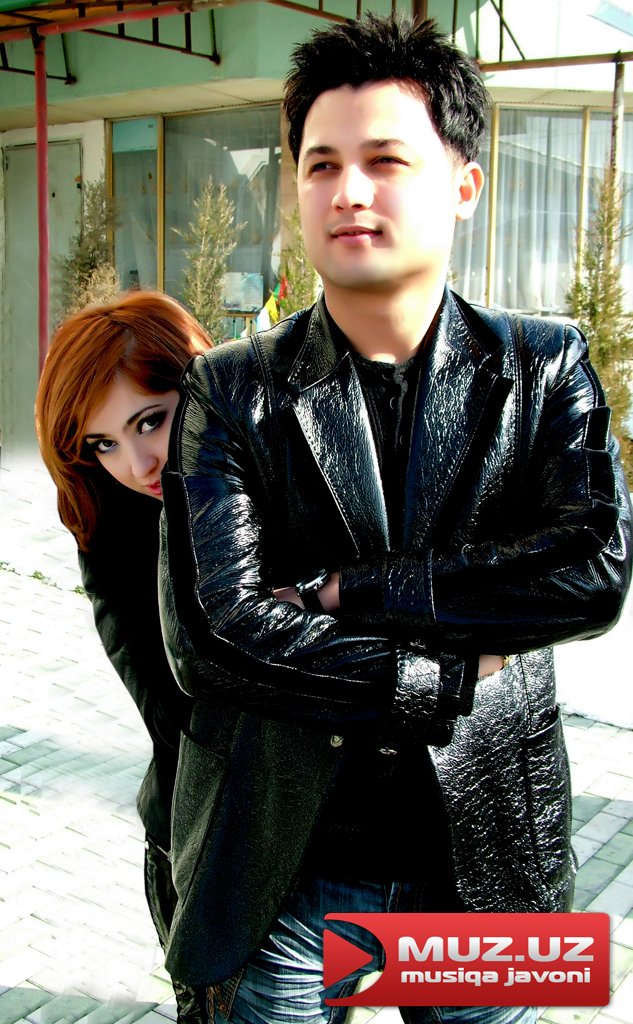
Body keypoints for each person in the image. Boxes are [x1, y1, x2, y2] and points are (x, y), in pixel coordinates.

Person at [158, 14, 633, 1024]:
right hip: (285, 865)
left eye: (385, 160)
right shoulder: (231, 387)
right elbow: (215, 632)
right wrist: (441, 676)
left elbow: (591, 573)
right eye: (321, 164)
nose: (348, 191)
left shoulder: (543, 367)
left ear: (464, 183)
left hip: (481, 859)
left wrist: (349, 592)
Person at [35, 290, 213, 1024]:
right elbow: (178, 714)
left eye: (149, 420)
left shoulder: (296, 486)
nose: (136, 463)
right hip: (206, 846)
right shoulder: (114, 532)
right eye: (102, 444)